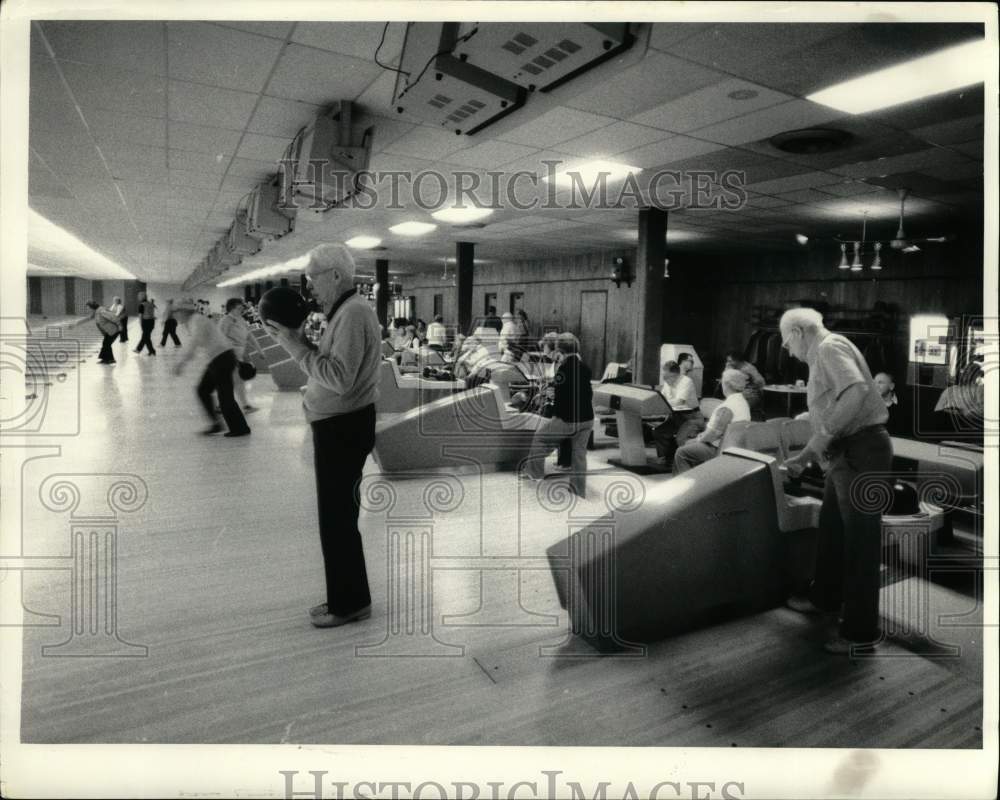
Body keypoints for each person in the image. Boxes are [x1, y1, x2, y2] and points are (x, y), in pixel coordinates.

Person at [266, 243, 381, 630]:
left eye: (314, 275)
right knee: (336, 519)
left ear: (335, 275)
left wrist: (295, 346)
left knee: (337, 521)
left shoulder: (353, 314)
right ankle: (347, 598)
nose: (309, 283)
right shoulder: (345, 312)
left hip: (343, 428)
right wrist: (302, 342)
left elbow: (339, 379)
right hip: (339, 426)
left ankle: (349, 605)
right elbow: (333, 366)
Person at [780, 307, 892, 655]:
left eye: (786, 342)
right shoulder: (827, 351)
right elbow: (837, 399)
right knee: (832, 529)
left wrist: (819, 438)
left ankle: (860, 631)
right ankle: (825, 598)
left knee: (860, 540)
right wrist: (813, 445)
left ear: (799, 332)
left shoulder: (828, 347)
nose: (787, 349)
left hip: (861, 450)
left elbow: (856, 391)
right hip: (846, 453)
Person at [523, 333, 594, 496]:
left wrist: (553, 398)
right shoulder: (585, 368)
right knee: (579, 456)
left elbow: (561, 399)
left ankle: (535, 475)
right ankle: (578, 491)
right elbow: (584, 394)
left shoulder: (563, 369)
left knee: (540, 438)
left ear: (560, 351)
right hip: (587, 419)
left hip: (569, 419)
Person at [171, 299, 251, 438]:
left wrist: (181, 363)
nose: (175, 316)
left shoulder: (197, 320)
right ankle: (217, 424)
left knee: (224, 395)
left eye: (176, 312)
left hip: (222, 358)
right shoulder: (192, 322)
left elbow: (194, 344)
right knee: (203, 390)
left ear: (184, 312)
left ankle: (240, 428)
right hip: (218, 359)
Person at [673, 368, 750, 474]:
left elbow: (713, 435)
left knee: (682, 451)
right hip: (735, 446)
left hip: (720, 448)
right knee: (693, 445)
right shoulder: (742, 402)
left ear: (726, 385)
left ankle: (682, 484)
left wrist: (698, 439)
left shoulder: (727, 407)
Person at [651, 360, 703, 466]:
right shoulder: (667, 381)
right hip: (676, 416)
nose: (664, 379)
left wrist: (662, 403)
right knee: (659, 432)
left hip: (691, 417)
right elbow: (661, 398)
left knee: (680, 438)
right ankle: (664, 460)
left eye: (667, 377)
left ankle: (687, 464)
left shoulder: (686, 381)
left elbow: (679, 401)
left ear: (676, 375)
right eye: (664, 376)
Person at [218, 298, 256, 414]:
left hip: (238, 353)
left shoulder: (241, 320)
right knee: (237, 380)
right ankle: (245, 406)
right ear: (231, 309)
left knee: (233, 381)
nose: (242, 310)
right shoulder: (225, 320)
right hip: (229, 354)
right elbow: (220, 338)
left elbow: (249, 336)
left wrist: (259, 350)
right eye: (239, 308)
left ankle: (222, 405)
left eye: (242, 308)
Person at [874, 371, 905, 436]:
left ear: (891, 386)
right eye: (874, 383)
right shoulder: (869, 405)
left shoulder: (904, 406)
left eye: (880, 382)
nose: (875, 386)